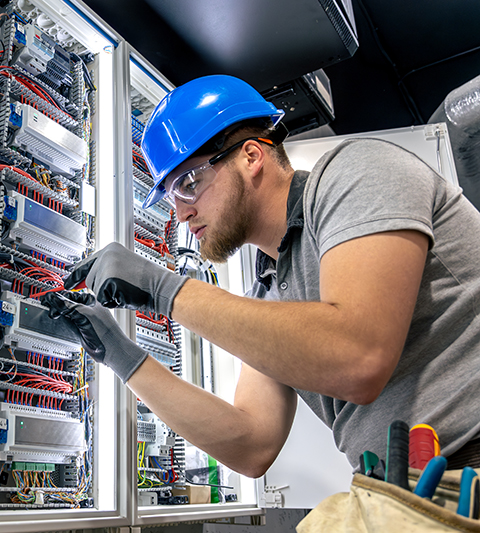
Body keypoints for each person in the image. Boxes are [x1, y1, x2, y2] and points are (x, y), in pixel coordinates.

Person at [43, 74, 480, 476]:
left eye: (189, 183)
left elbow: (358, 356)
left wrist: (164, 289)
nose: (180, 214)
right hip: (401, 489)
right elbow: (252, 445)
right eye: (171, 196)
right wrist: (121, 357)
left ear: (252, 155)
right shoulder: (270, 290)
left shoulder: (357, 173)